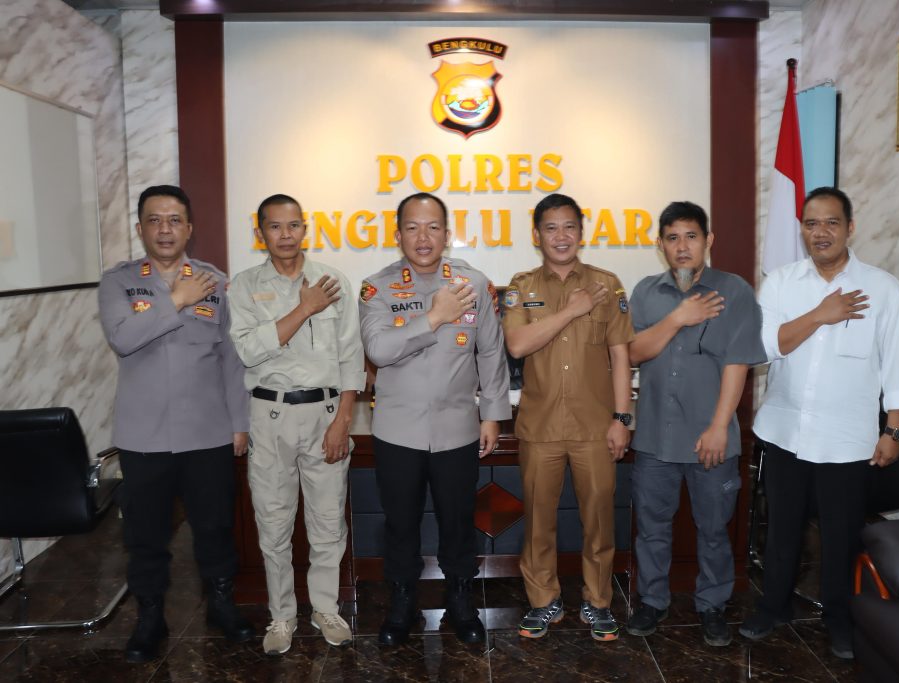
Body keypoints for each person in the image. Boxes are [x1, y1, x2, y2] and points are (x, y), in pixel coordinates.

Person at [739, 187, 899, 660]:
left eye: (831, 222)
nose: (821, 232)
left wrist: (895, 429)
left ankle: (839, 618)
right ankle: (773, 606)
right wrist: (821, 314)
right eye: (811, 223)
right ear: (801, 229)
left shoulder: (883, 287)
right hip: (785, 431)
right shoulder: (781, 282)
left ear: (850, 228)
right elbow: (765, 347)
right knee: (782, 529)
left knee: (841, 535)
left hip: (847, 437)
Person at [98, 185, 254, 663]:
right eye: (154, 220)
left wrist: (239, 423)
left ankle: (221, 604)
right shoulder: (119, 283)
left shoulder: (215, 282)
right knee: (145, 534)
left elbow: (231, 360)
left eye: (173, 220)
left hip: (208, 432)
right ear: (140, 228)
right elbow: (123, 339)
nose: (164, 229)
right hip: (144, 435)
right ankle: (150, 617)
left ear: (189, 228)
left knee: (215, 526)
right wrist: (176, 300)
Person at [359, 192, 510, 646]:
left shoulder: (474, 283)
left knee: (458, 521)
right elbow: (378, 350)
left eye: (432, 227)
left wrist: (493, 415)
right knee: (400, 523)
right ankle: (402, 601)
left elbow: (491, 351)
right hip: (397, 431)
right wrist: (434, 318)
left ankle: (460, 600)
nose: (422, 237)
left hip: (458, 428)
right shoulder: (377, 288)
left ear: (447, 233)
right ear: (398, 234)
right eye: (412, 227)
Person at [228, 194, 366, 655]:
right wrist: (304, 308)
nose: (285, 235)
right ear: (260, 233)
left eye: (293, 226)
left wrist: (344, 420)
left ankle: (326, 608)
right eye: (275, 226)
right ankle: (282, 615)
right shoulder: (244, 287)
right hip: (270, 418)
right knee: (273, 522)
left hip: (326, 414)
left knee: (327, 521)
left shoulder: (333, 281)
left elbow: (352, 358)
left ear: (305, 229)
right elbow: (248, 351)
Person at [625, 201, 766, 646]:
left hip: (711, 436)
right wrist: (677, 318)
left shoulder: (734, 291)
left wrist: (720, 426)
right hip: (655, 436)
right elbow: (632, 353)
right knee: (651, 528)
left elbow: (738, 362)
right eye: (672, 238)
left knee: (714, 529)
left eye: (691, 236)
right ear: (660, 245)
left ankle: (712, 606)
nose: (682, 246)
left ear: (708, 241)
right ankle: (652, 601)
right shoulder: (646, 292)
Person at [503, 193, 634, 642]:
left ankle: (598, 602)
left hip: (595, 427)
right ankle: (544, 601)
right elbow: (517, 344)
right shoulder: (521, 287)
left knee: (599, 520)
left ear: (582, 231)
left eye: (569, 227)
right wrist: (572, 310)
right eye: (551, 228)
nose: (561, 236)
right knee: (538, 521)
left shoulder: (607, 284)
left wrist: (622, 418)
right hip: (539, 427)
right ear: (536, 235)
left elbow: (621, 356)